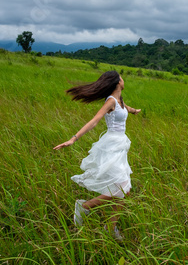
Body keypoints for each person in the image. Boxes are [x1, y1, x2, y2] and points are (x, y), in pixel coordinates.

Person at [53, 70, 141, 241]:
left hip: (121, 146)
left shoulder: (120, 100)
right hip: (112, 146)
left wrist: (134, 110)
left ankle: (110, 227)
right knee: (123, 187)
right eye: (121, 78)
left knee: (125, 190)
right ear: (117, 82)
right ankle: (85, 206)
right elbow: (95, 120)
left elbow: (125, 109)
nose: (123, 80)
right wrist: (73, 138)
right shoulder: (110, 101)